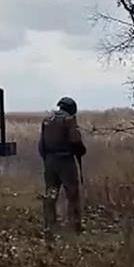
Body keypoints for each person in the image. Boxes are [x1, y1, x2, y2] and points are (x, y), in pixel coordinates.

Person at [38, 96, 86, 236]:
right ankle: (75, 225)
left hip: (50, 161)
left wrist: (47, 160)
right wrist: (81, 151)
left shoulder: (47, 120)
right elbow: (75, 140)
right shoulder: (68, 120)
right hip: (65, 162)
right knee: (72, 193)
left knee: (51, 193)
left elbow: (41, 145)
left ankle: (49, 224)